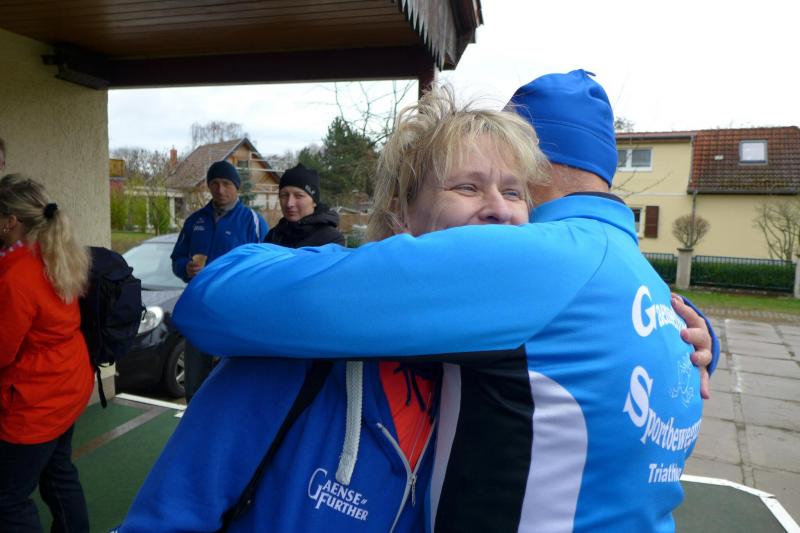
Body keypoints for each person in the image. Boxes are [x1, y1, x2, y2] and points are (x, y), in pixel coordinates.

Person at [121, 81, 715, 532]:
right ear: (402, 215)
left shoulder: (482, 382)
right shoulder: (290, 360)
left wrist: (694, 329)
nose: (499, 208)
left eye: (515, 192)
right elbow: (171, 512)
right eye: (467, 186)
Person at [0, 174, 93, 533]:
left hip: (37, 399)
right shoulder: (54, 252)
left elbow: (3, 351)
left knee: (7, 498)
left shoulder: (17, 275)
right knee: (58, 472)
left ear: (10, 221)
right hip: (68, 383)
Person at [170, 160, 268, 402]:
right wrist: (186, 268)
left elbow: (267, 267)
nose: (220, 190)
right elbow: (177, 258)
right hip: (199, 309)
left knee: (230, 379)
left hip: (234, 312)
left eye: (226, 183)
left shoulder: (252, 221)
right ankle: (193, 417)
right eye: (214, 183)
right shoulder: (195, 221)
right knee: (195, 378)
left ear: (237, 187)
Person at [266, 163, 345, 247]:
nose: (289, 203)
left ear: (314, 201)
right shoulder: (273, 236)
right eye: (284, 195)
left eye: (299, 196)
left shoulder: (331, 240)